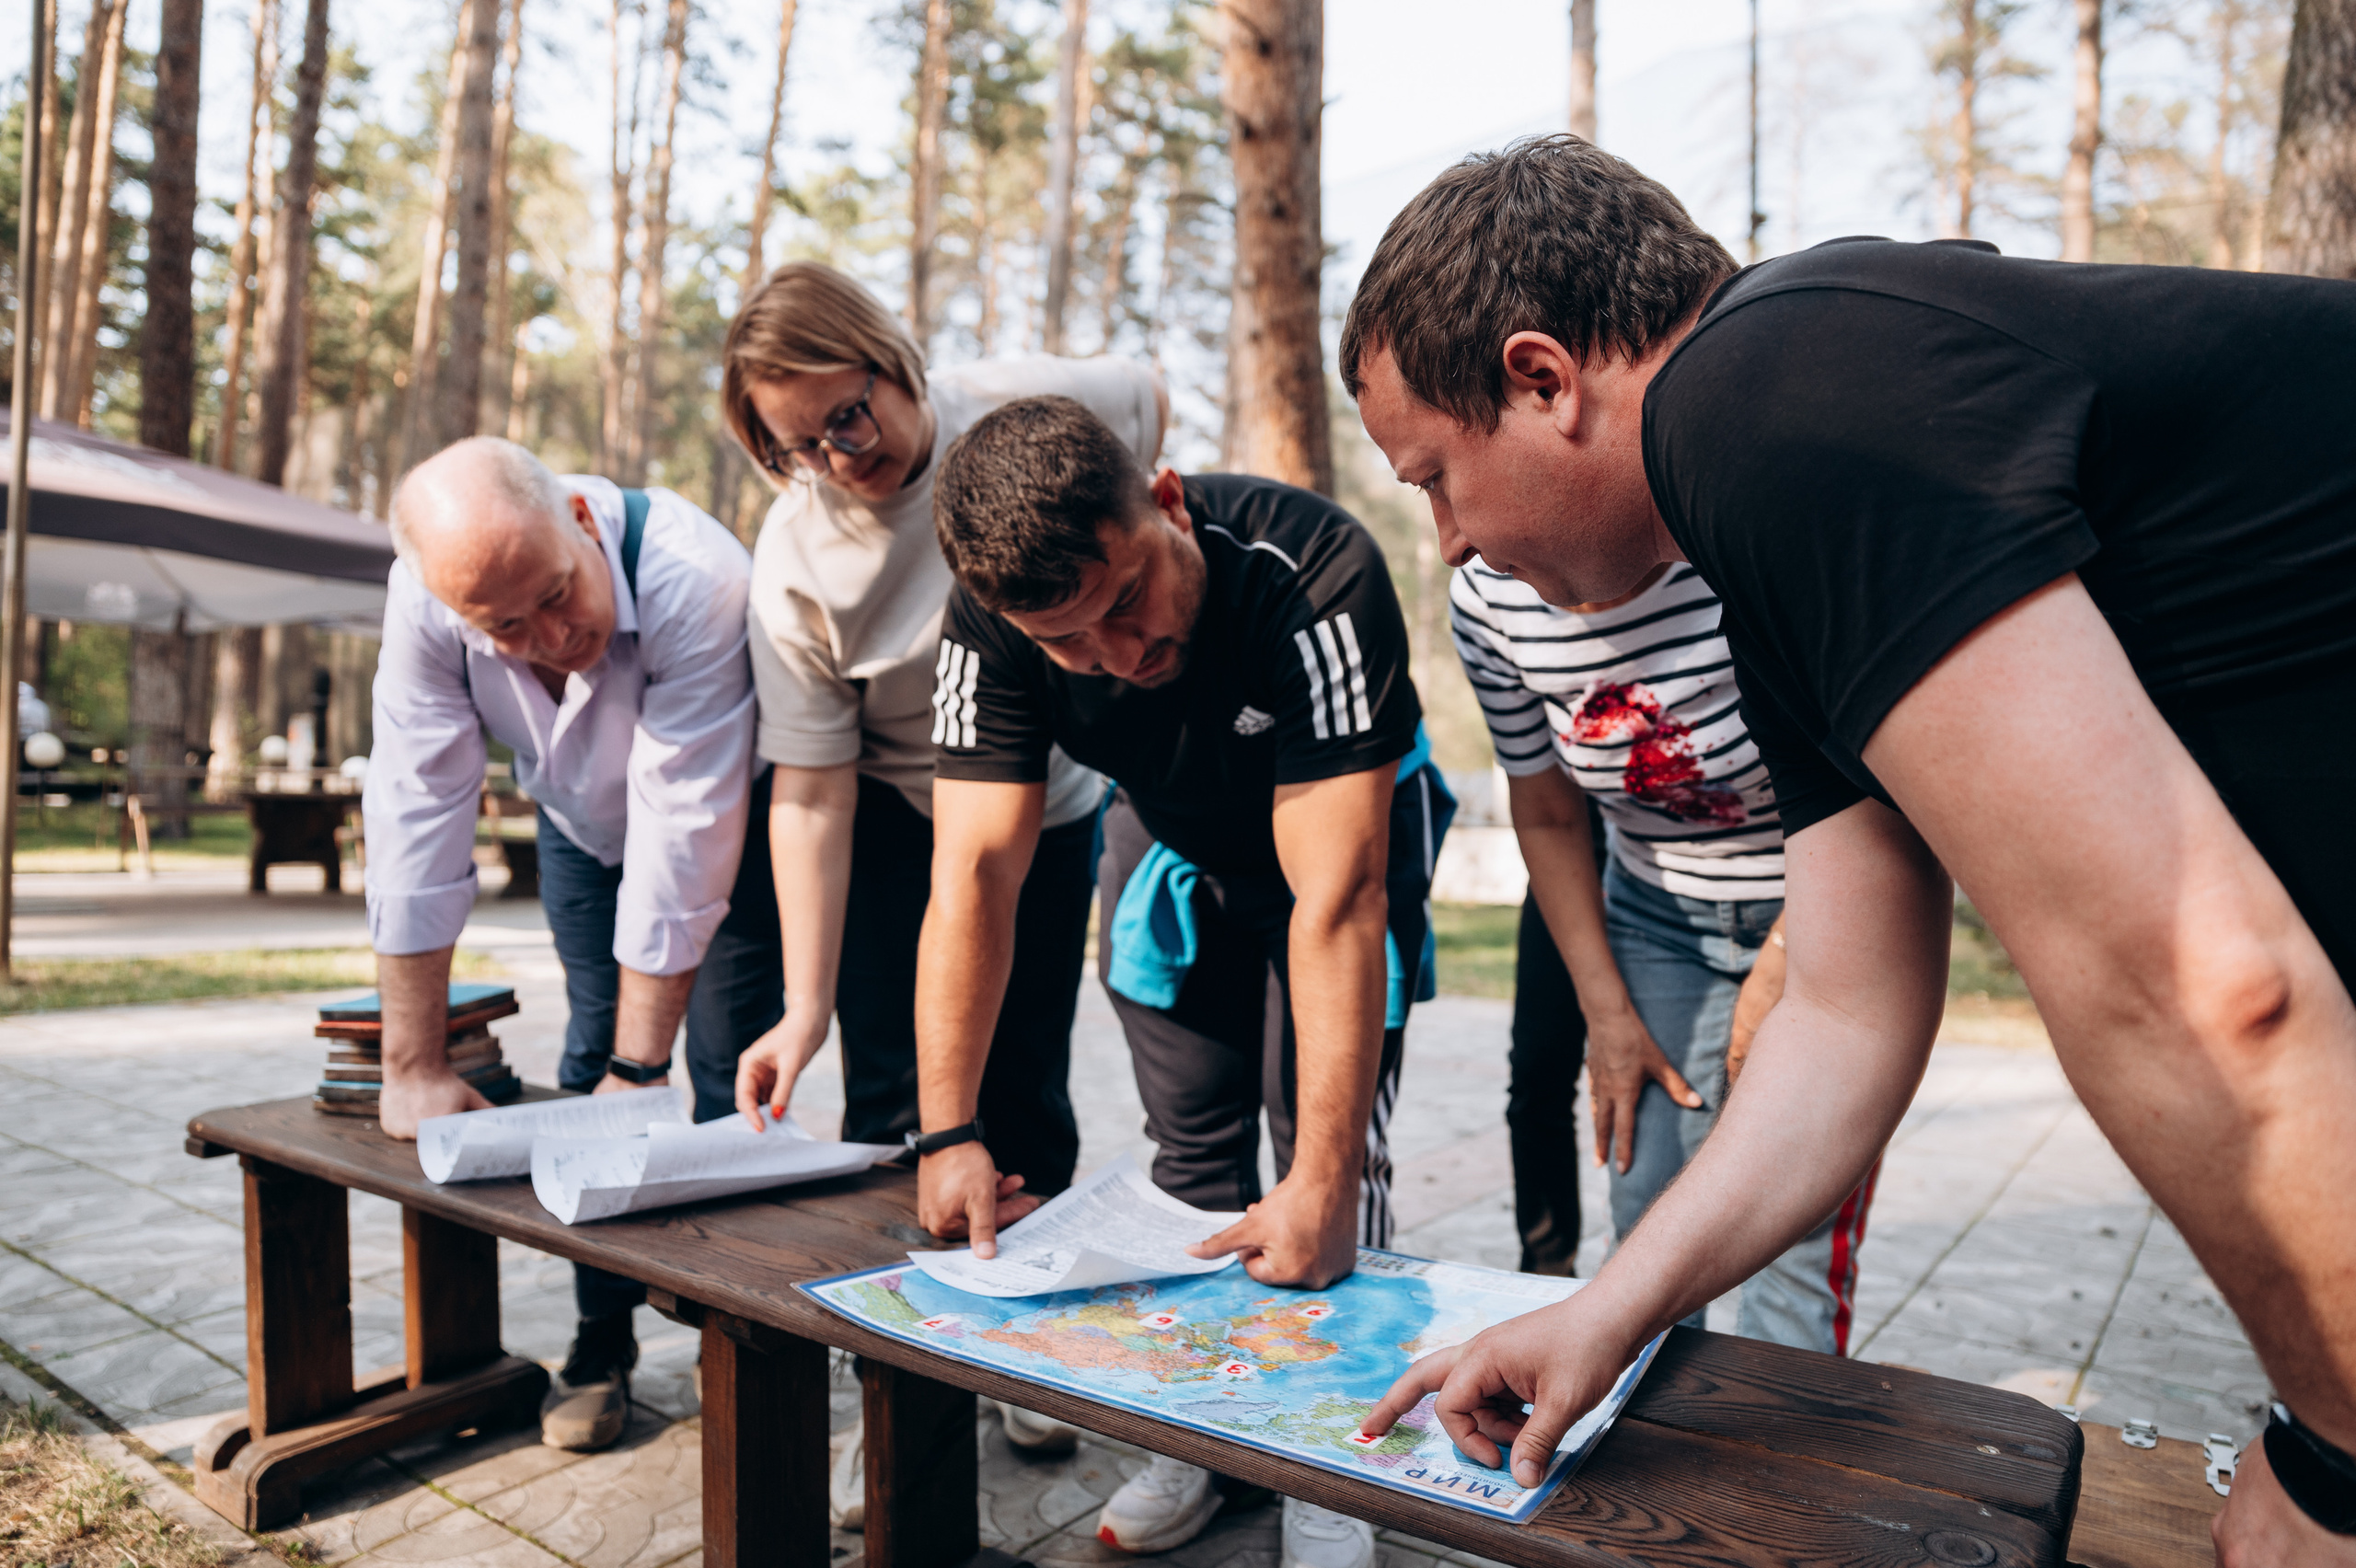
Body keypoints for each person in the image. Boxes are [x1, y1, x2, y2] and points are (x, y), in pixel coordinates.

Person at [1339, 134, 2356, 1564]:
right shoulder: (1771, 498)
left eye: (1436, 477)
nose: (1443, 540)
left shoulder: (1771, 401)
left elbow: (2195, 982)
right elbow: (1847, 1006)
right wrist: (1607, 1308)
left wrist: (2338, 1459)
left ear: (1542, 378)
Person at [913, 395, 1452, 1568]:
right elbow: (972, 879)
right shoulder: (987, 622)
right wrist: (947, 1127)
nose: (1117, 658)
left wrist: (1315, 1176)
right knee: (1190, 1167)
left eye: (1124, 604)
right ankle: (1205, 1433)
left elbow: (1336, 905)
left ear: (1166, 504)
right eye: (1068, 644)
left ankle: (1329, 1451)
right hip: (1171, 849)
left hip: (1332, 853)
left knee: (1327, 1185)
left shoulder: (1312, 572)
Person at [713, 262, 1168, 1524]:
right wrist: (803, 1004)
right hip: (899, 809)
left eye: (846, 418)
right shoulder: (798, 552)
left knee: (1023, 1084)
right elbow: (807, 791)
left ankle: (1026, 1341)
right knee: (900, 1105)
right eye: (793, 444)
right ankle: (907, 1384)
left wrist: (1103, 648)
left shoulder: (1020, 404)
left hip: (1044, 792)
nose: (834, 457)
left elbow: (1147, 398)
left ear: (890, 358)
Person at [365, 437, 780, 1454]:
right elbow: (418, 802)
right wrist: (412, 1062)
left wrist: (647, 1071)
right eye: (503, 627)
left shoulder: (697, 574)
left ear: (585, 524)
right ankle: (602, 1342)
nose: (553, 638)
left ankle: (753, 1363)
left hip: (734, 832)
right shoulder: (425, 596)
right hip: (580, 831)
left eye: (558, 594)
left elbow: (684, 836)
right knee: (587, 1059)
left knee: (725, 1085)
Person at [1451, 555, 1877, 1350]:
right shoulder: (1483, 597)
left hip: (1826, 895)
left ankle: (1771, 1468)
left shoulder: (1736, 535)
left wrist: (1796, 953)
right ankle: (1640, 1450)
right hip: (1654, 914)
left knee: (1795, 1221)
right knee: (1646, 1206)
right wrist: (1605, 1010)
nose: (1448, 541)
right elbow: (1545, 813)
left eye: (1441, 478)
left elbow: (1870, 763)